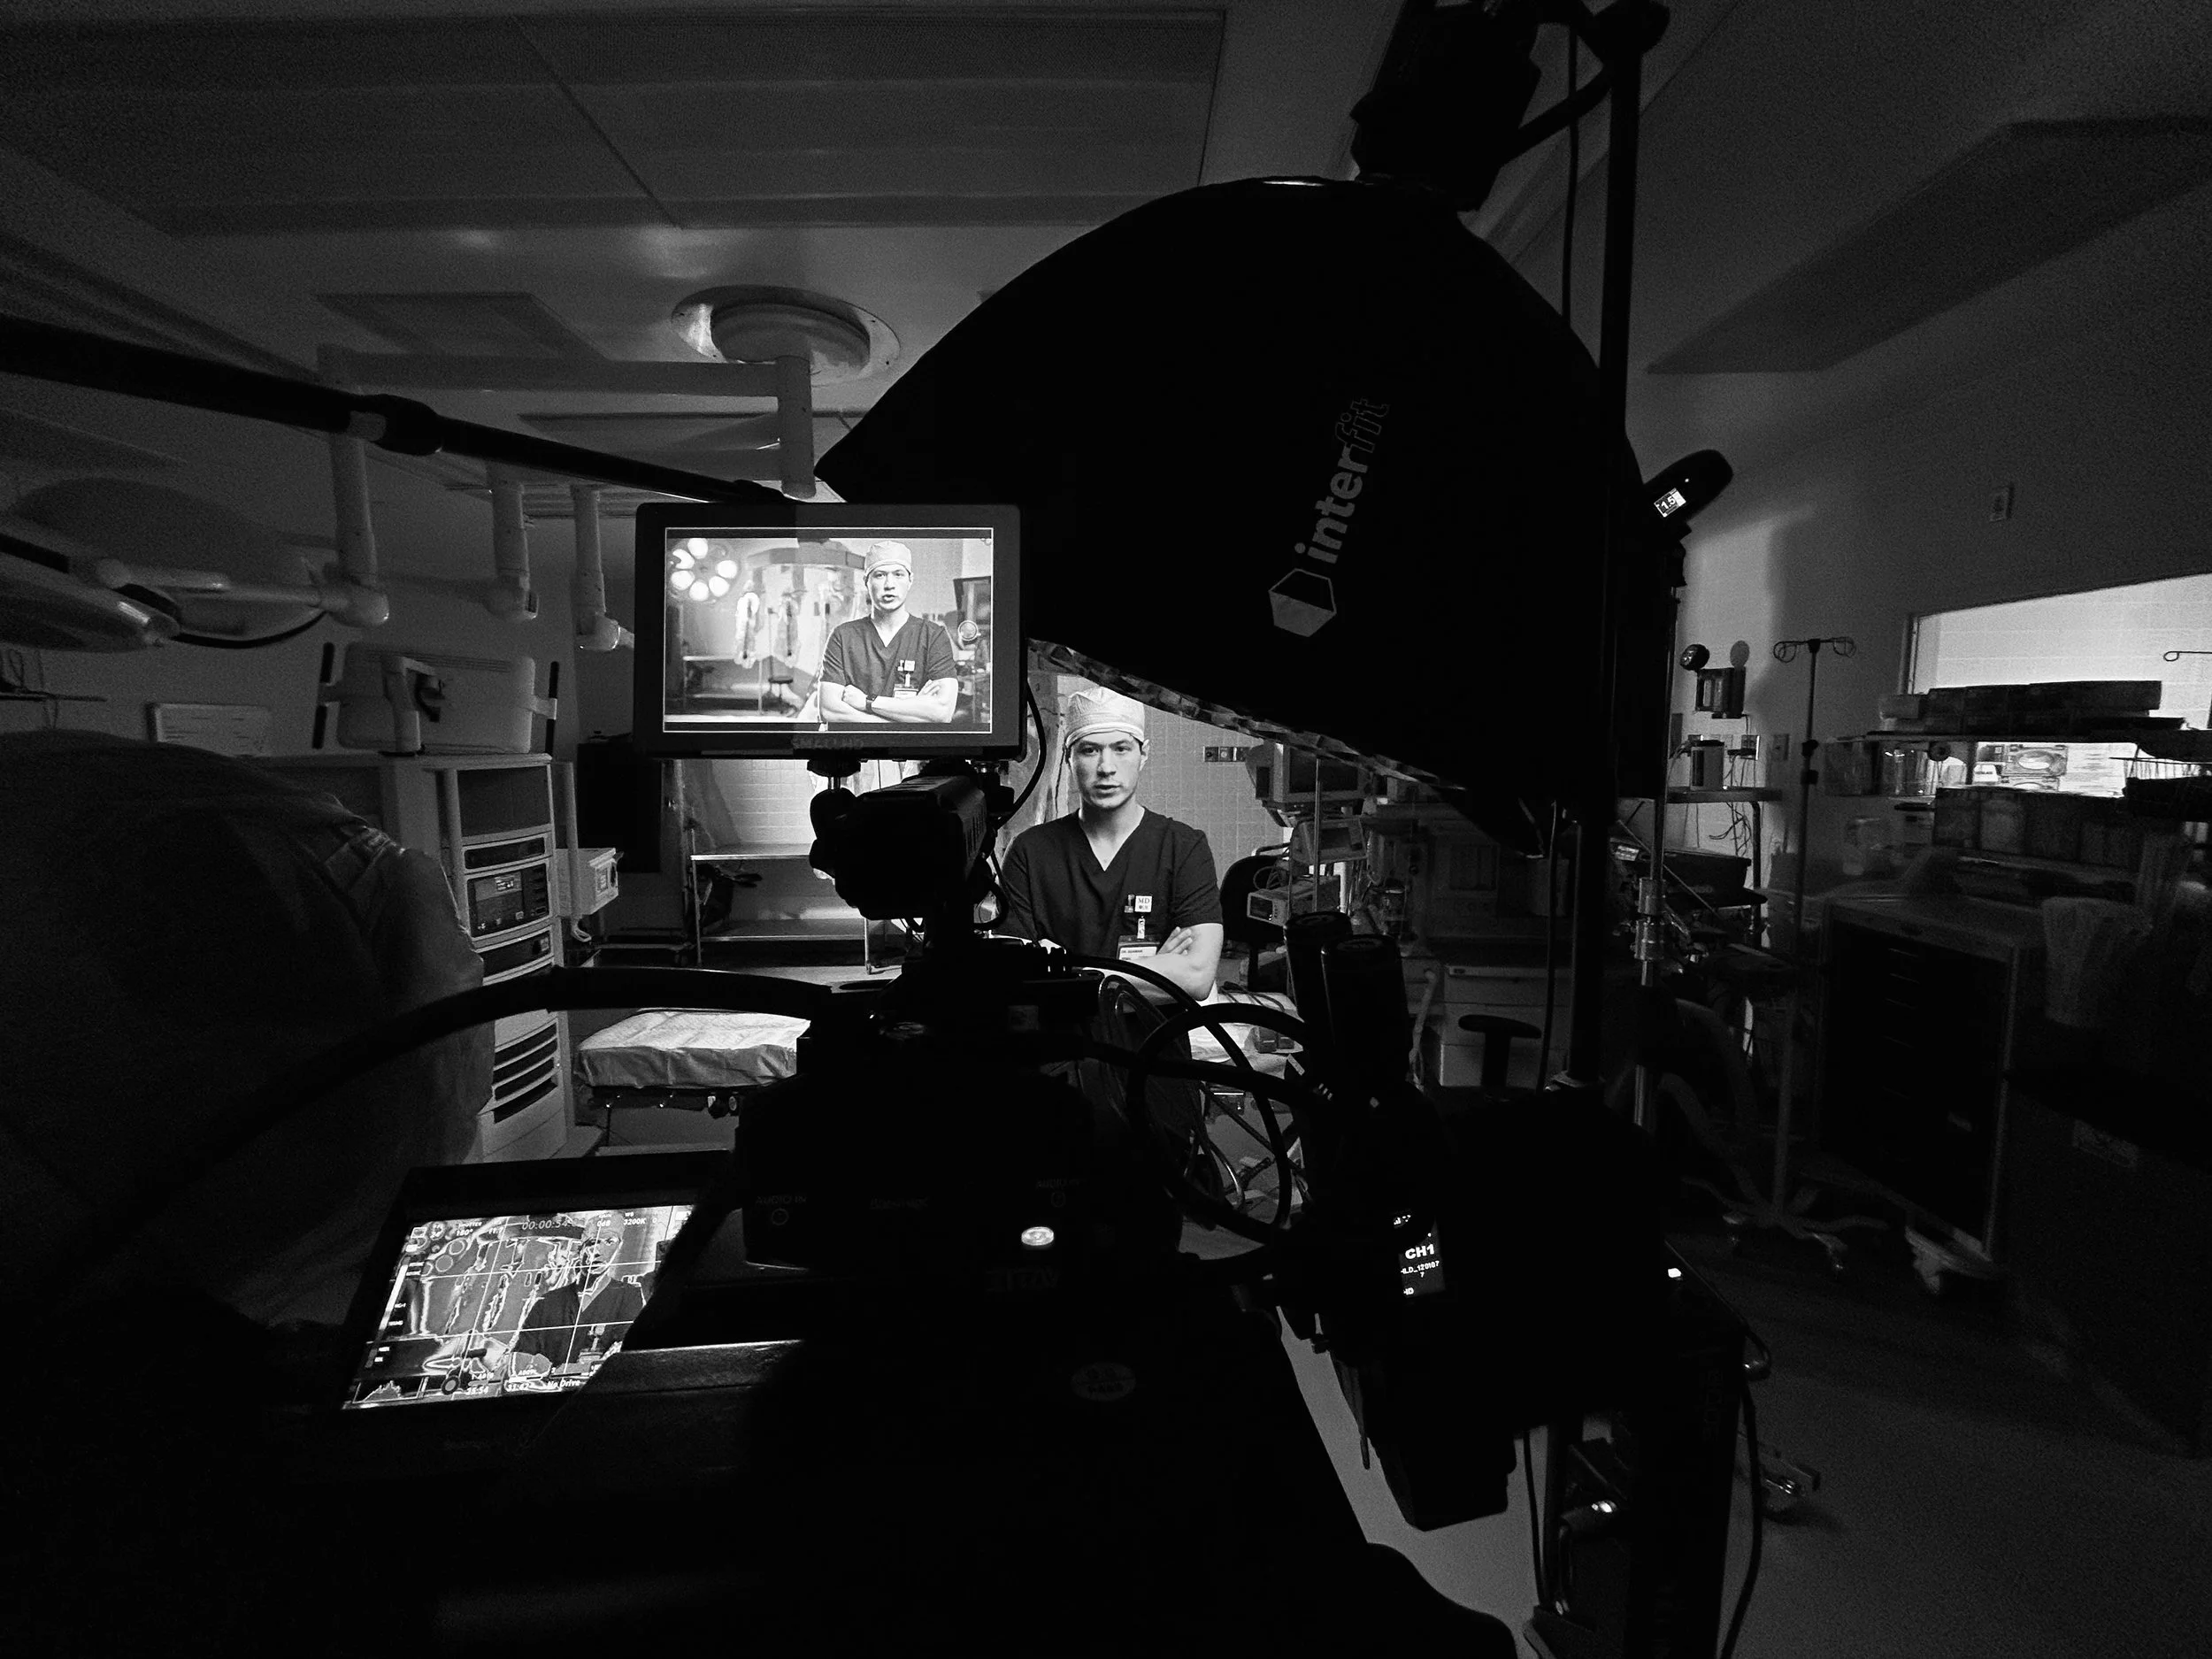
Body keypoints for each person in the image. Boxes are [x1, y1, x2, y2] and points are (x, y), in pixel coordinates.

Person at [996, 687, 1223, 998]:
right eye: (1090, 750)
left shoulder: (1183, 847)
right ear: (1068, 758)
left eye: (1121, 748)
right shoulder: (1029, 853)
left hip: (1155, 1044)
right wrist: (1155, 968)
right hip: (1059, 1046)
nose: (1106, 767)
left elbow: (1196, 978)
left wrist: (1068, 972)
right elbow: (1014, 981)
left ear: (1143, 755)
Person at [816, 540, 960, 724]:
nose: (889, 584)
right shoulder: (843, 637)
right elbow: (829, 712)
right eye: (880, 575)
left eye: (898, 574)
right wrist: (908, 715)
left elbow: (942, 712)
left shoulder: (933, 636)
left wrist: (868, 703)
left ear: (910, 580)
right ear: (866, 582)